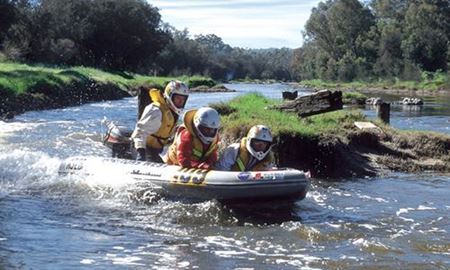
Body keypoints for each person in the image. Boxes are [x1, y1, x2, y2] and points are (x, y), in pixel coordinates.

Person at [131, 80, 189, 162]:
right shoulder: (156, 111)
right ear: (170, 96)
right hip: (141, 148)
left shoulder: (172, 113)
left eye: (183, 99)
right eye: (178, 98)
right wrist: (141, 154)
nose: (180, 102)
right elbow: (139, 133)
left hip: (154, 150)